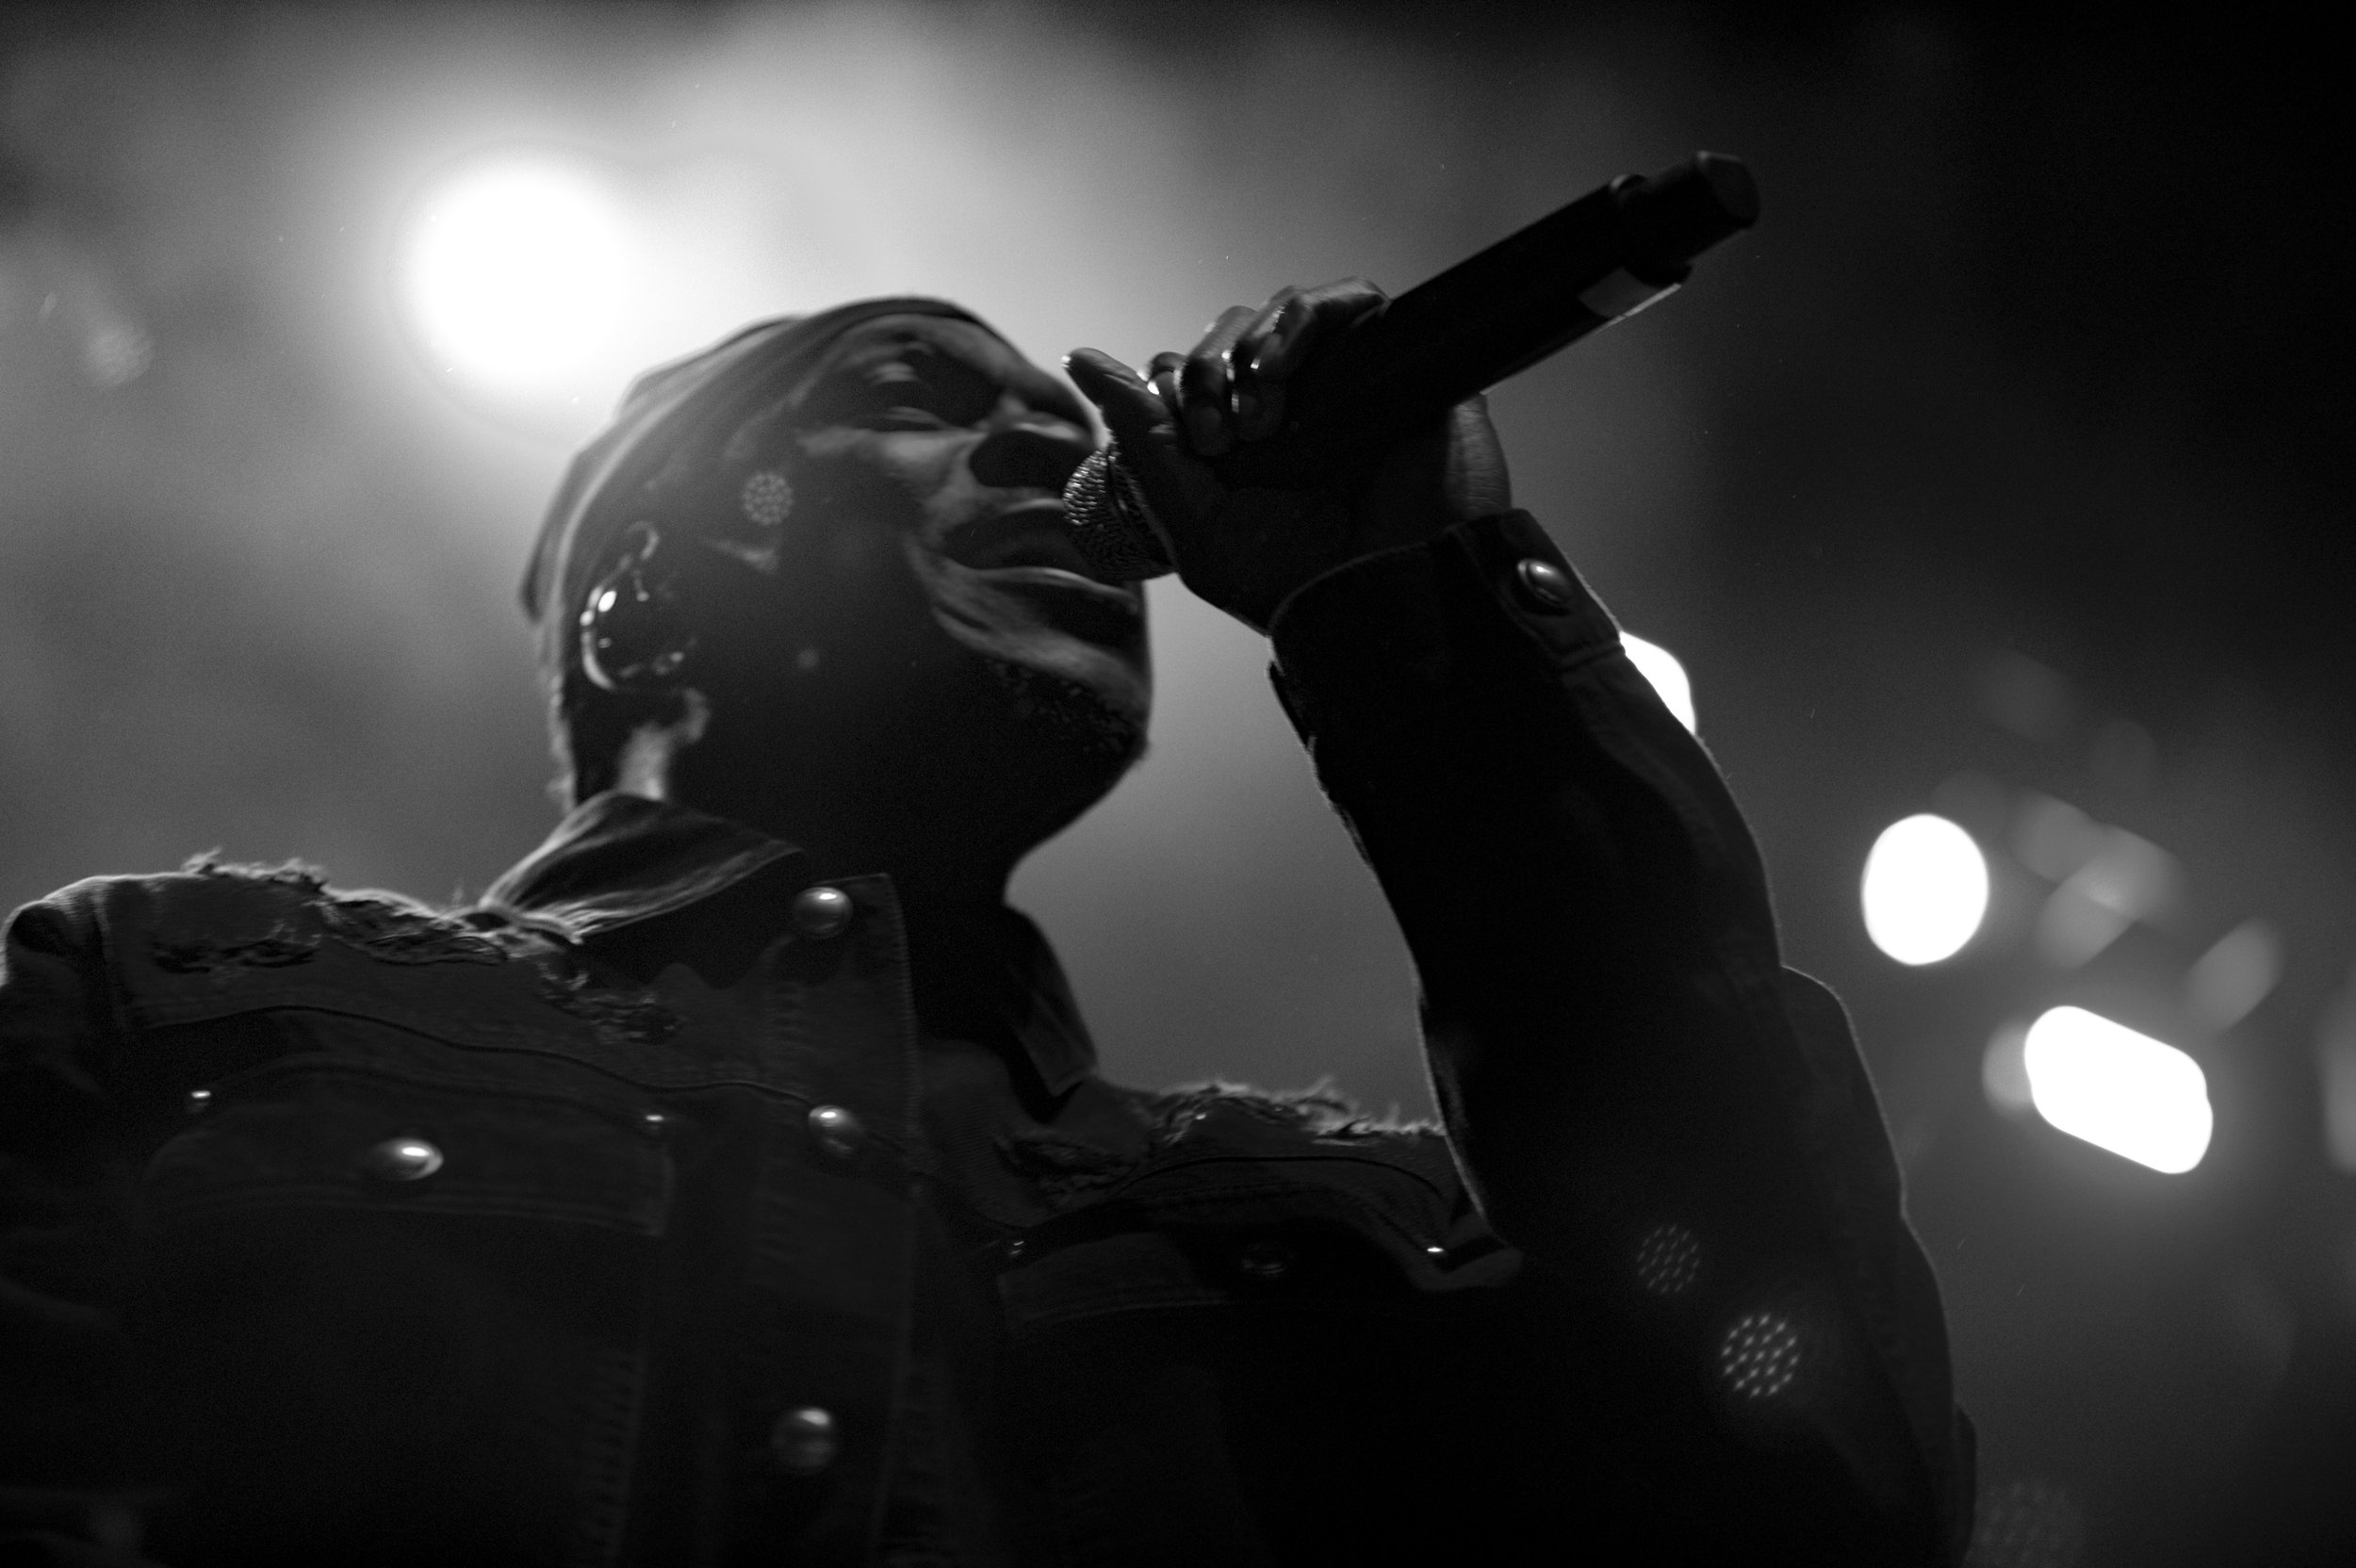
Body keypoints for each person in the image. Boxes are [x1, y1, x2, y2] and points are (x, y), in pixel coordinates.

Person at [0, 284, 1972, 1565]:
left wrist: (1412, 613)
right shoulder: (173, 993)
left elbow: (1812, 1496)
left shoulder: (1355, 1219)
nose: (1060, 446)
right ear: (646, 604)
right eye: (911, 399)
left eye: (1059, 413)